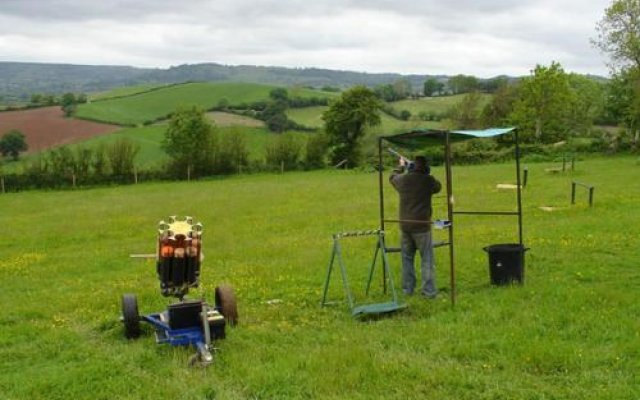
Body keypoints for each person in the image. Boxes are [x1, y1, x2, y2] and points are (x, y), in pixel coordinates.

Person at [389, 155, 442, 298]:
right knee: (427, 259)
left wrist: (401, 166)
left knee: (407, 259)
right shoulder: (428, 181)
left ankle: (407, 290)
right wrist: (426, 173)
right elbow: (438, 187)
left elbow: (392, 177)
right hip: (421, 226)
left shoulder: (403, 179)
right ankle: (429, 292)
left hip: (405, 225)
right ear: (425, 168)